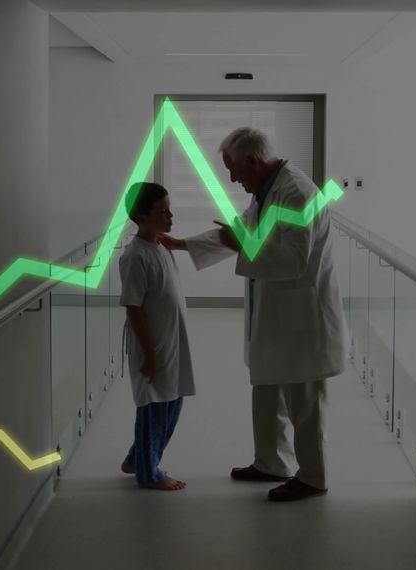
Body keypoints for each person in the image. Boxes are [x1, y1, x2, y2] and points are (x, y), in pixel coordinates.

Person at [159, 128, 346, 502]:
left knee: (304, 402)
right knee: (266, 392)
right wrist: (182, 244)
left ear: (254, 162)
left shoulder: (295, 194)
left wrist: (242, 244)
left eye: (234, 171)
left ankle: (313, 477)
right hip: (279, 315)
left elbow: (294, 260)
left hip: (302, 318)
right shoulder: (268, 190)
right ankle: (271, 463)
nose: (232, 179)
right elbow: (245, 231)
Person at [118, 182, 196, 491]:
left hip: (170, 342)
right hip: (153, 346)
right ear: (141, 217)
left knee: (172, 403)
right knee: (154, 408)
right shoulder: (135, 256)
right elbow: (133, 308)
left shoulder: (160, 246)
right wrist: (149, 354)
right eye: (162, 212)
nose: (170, 216)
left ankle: (136, 458)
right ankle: (148, 473)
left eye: (169, 209)